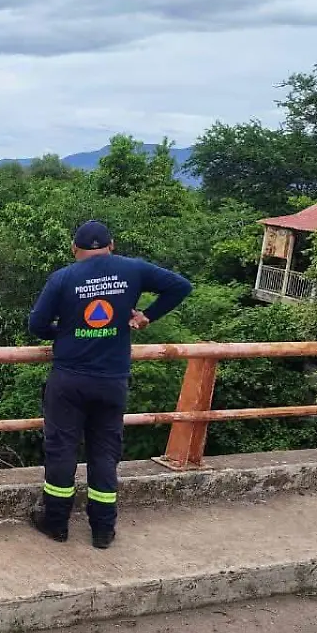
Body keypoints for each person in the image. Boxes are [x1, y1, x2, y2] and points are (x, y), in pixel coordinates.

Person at [27, 220, 192, 549]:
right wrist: (147, 315)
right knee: (104, 452)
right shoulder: (133, 269)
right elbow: (180, 286)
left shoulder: (63, 277)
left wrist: (64, 332)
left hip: (69, 379)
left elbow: (37, 324)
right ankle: (103, 530)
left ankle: (56, 524)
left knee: (62, 449)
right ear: (111, 245)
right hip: (112, 380)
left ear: (74, 249)